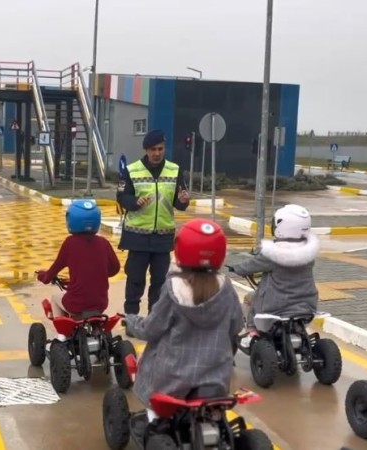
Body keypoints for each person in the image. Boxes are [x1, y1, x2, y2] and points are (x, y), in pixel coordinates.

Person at [124, 219, 243, 442]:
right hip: (216, 378)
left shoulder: (173, 289)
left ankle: (154, 421)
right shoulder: (226, 288)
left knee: (151, 372)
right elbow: (236, 326)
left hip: (173, 379)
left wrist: (131, 322)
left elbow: (151, 329)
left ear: (180, 249)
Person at [116, 129, 190, 315]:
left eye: (160, 149)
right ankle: (131, 319)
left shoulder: (174, 170)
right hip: (137, 238)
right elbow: (122, 197)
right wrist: (135, 202)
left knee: (160, 283)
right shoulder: (132, 170)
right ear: (146, 150)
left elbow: (179, 203)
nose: (157, 153)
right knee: (135, 281)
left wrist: (183, 201)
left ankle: (155, 320)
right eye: (153, 149)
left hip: (162, 239)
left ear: (164, 148)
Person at [231, 204, 319, 337]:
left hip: (276, 307)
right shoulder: (309, 253)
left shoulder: (273, 253)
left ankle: (252, 332)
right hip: (307, 305)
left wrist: (236, 268)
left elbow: (250, 266)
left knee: (250, 298)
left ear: (282, 226)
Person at [37, 200, 121, 333]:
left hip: (76, 304)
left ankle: (63, 335)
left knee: (55, 298)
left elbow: (53, 270)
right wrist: (99, 273)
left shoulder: (69, 244)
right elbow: (115, 268)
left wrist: (43, 277)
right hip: (100, 304)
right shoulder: (104, 242)